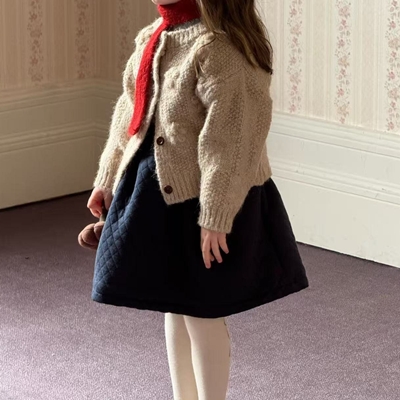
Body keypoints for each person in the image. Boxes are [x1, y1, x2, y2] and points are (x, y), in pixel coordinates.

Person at [86, 0, 309, 398]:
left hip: (209, 199)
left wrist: (216, 216)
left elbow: (230, 143)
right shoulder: (152, 38)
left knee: (202, 310)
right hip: (158, 195)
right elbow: (129, 115)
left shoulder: (218, 49)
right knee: (173, 302)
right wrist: (108, 177)